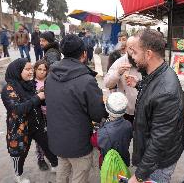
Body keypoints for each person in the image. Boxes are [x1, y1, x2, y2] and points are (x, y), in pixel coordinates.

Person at [45, 34, 107, 183]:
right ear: (84, 54)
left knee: (63, 168)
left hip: (57, 139)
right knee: (79, 175)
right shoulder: (86, 80)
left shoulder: (50, 76)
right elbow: (98, 114)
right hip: (78, 143)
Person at [126, 29, 184, 183]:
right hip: (154, 159)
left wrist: (139, 176)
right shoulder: (155, 72)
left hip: (158, 164)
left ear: (149, 54)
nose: (132, 57)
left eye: (135, 52)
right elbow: (152, 93)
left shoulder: (166, 92)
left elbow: (159, 141)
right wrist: (139, 85)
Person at [1, 58, 58, 183]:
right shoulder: (8, 89)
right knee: (20, 154)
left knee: (48, 145)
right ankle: (18, 176)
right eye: (27, 69)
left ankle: (56, 166)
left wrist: (44, 97)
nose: (31, 72)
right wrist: (37, 98)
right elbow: (16, 109)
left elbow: (36, 102)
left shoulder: (29, 84)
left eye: (31, 68)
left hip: (36, 124)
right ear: (17, 71)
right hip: (20, 129)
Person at [104, 36, 142, 124]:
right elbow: (107, 83)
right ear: (126, 49)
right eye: (130, 48)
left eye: (136, 48)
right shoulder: (119, 62)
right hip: (125, 110)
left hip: (142, 110)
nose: (133, 52)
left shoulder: (144, 61)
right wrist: (117, 73)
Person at [91, 92, 133, 168]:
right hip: (123, 159)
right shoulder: (128, 125)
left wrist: (100, 128)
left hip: (108, 164)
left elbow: (94, 142)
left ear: (107, 109)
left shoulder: (102, 133)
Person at [33, 60, 50, 171]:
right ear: (35, 69)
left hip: (51, 114)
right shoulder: (31, 83)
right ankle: (41, 159)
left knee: (51, 137)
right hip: (39, 115)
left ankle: (53, 156)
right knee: (40, 139)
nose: (42, 72)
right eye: (39, 69)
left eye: (44, 70)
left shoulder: (50, 81)